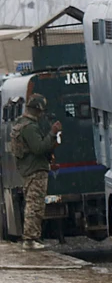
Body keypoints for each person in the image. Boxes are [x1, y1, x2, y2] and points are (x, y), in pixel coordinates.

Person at [9, 94, 61, 250]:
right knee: (35, 205)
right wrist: (52, 133)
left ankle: (33, 237)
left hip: (29, 169)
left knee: (33, 204)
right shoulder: (30, 127)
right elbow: (38, 148)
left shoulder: (21, 124)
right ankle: (31, 239)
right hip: (35, 169)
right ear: (38, 110)